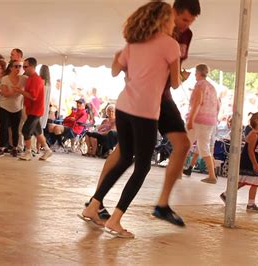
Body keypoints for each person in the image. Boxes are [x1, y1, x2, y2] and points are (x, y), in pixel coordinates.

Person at [85, 0, 201, 226]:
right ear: (172, 13)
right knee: (125, 155)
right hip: (145, 101)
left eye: (191, 22)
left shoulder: (181, 36)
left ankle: (162, 205)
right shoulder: (155, 35)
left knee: (182, 144)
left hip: (159, 97)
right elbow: (133, 65)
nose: (186, 26)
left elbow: (122, 66)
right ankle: (96, 201)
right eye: (184, 19)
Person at [220, 112, 258, 213]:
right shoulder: (254, 134)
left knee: (243, 181)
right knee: (254, 183)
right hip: (248, 162)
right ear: (257, 121)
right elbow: (250, 151)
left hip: (254, 162)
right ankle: (251, 204)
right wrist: (255, 163)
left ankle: (226, 194)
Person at [182, 64, 219, 183]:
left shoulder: (199, 85)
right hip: (210, 121)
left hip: (198, 120)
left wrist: (191, 119)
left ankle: (177, 171)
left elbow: (197, 102)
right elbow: (217, 106)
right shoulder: (212, 87)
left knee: (185, 145)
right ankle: (212, 175)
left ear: (197, 73)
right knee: (204, 147)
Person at [16, 57, 53, 161]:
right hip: (32, 109)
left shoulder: (36, 80)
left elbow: (33, 96)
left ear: (32, 67)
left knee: (25, 130)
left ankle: (28, 152)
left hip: (35, 111)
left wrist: (20, 91)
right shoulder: (31, 78)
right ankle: (47, 150)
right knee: (38, 132)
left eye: (25, 66)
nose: (24, 68)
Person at [0, 60, 26, 157]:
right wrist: (17, 91)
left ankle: (15, 148)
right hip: (4, 106)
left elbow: (36, 82)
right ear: (11, 68)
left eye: (20, 66)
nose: (18, 68)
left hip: (17, 108)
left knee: (15, 129)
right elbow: (5, 93)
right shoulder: (5, 78)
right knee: (3, 127)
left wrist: (15, 91)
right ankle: (2, 147)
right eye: (16, 66)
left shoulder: (24, 79)